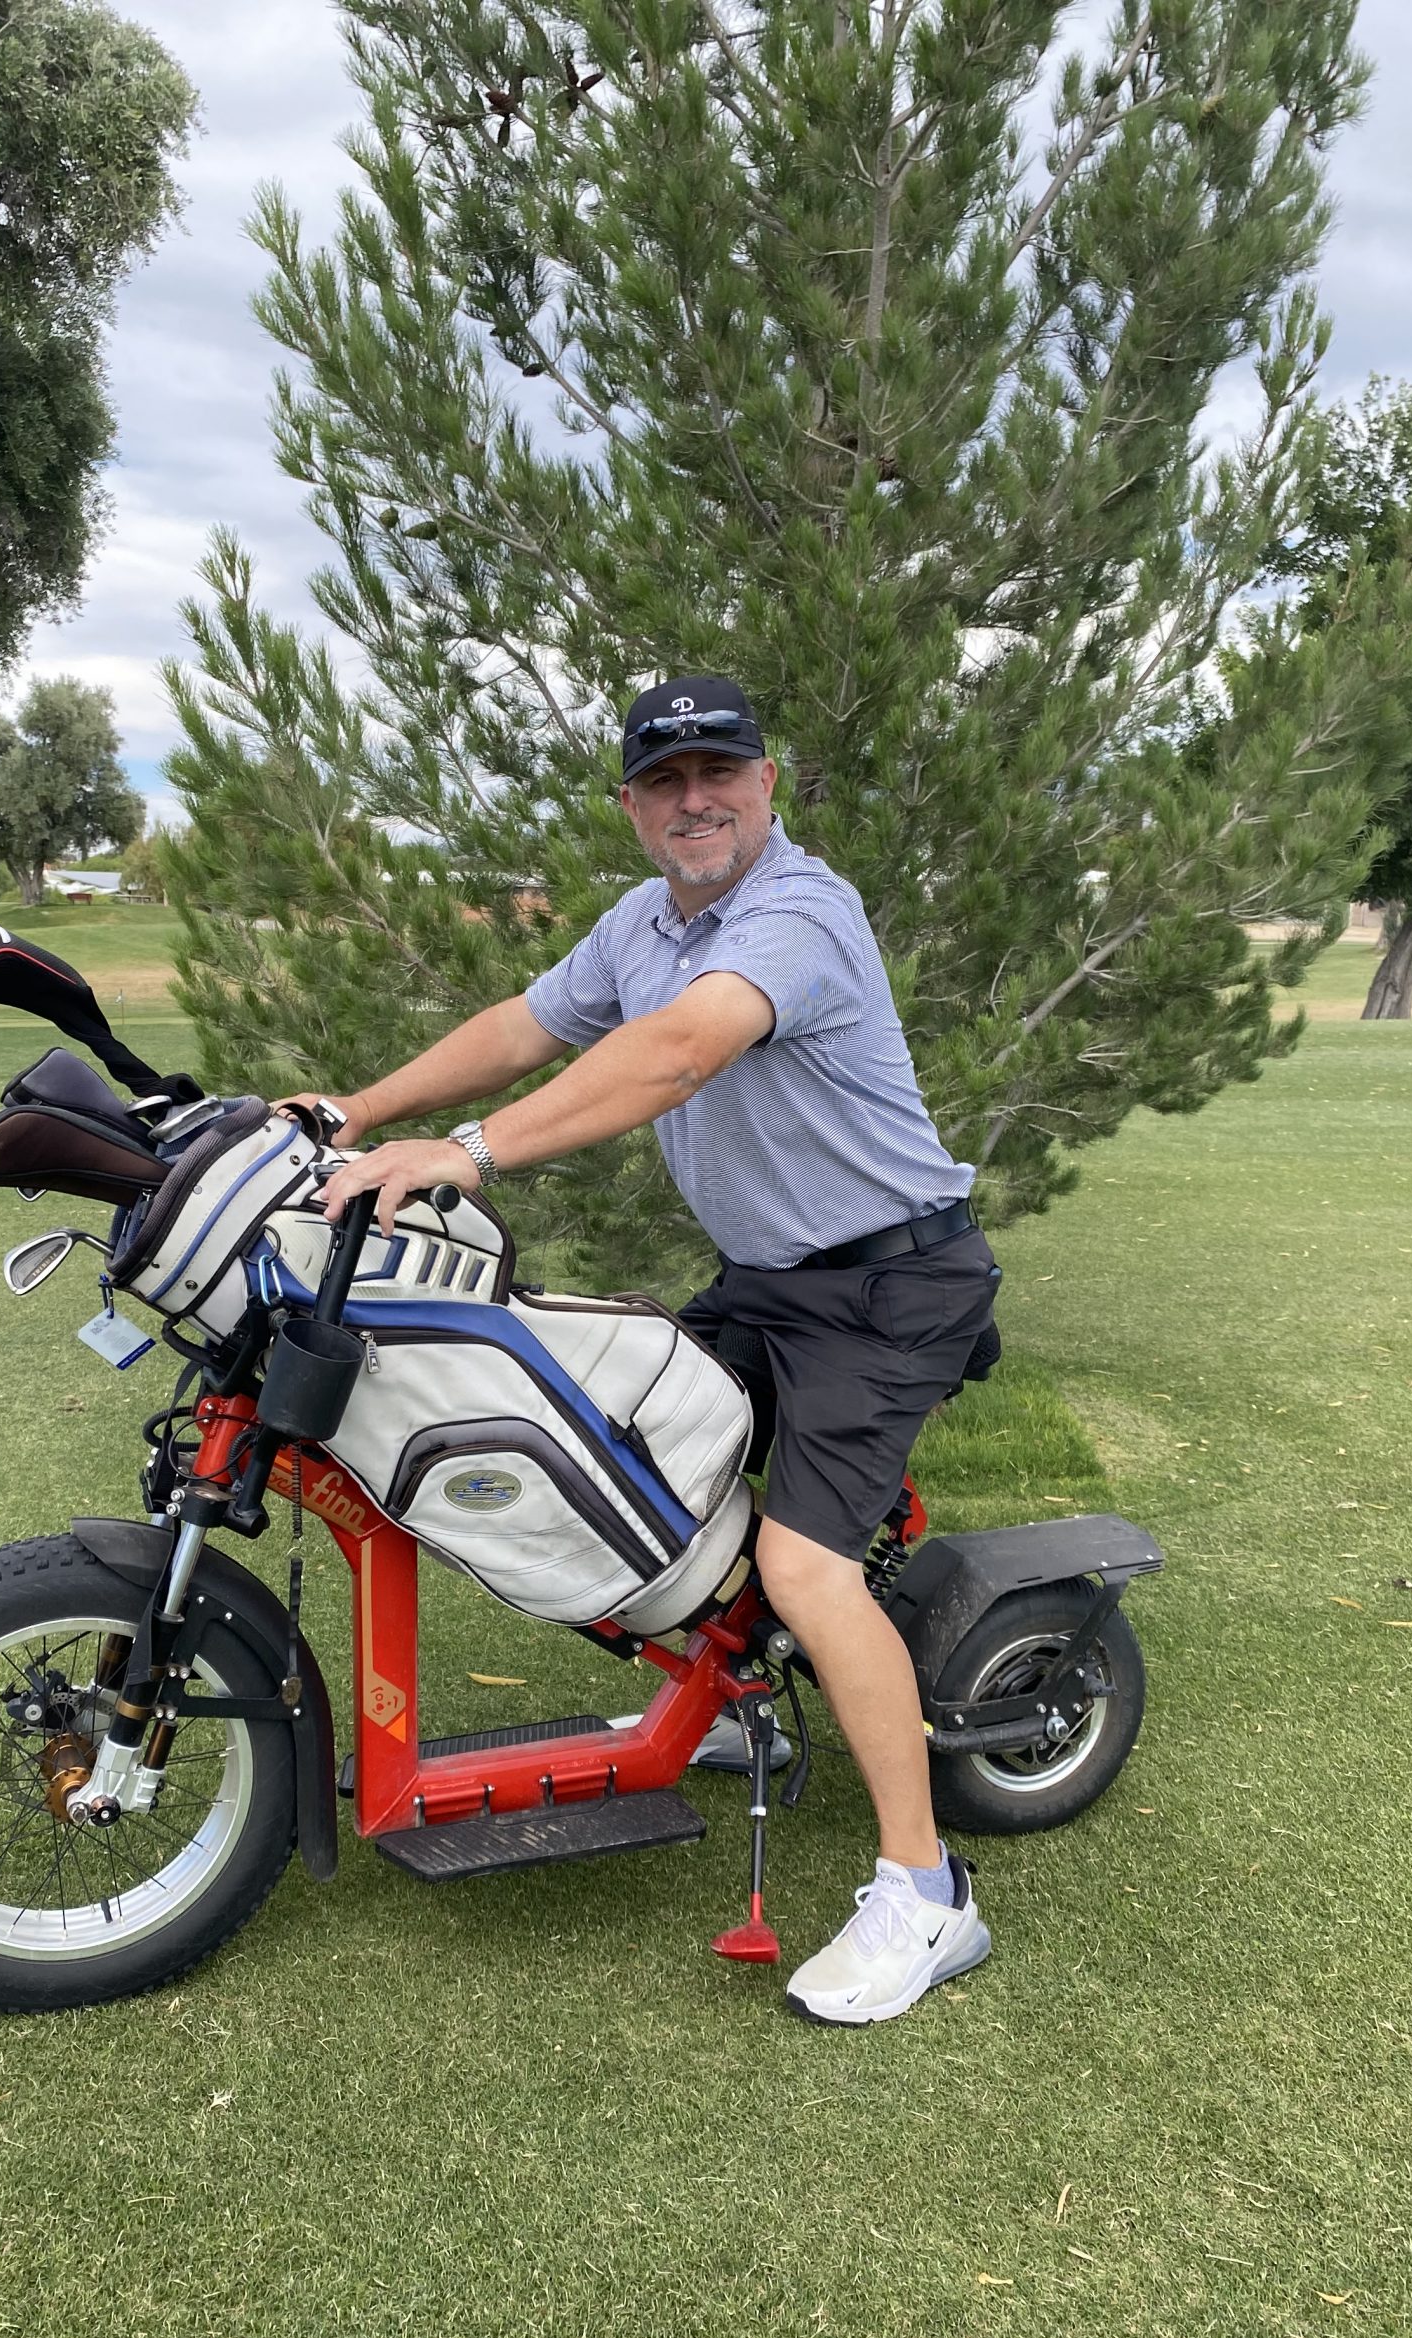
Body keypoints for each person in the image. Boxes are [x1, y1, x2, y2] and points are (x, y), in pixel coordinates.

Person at [302, 676, 1000, 2026]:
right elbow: (528, 1023)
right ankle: (743, 1694)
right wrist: (363, 1109)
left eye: (720, 771)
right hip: (771, 1279)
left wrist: (476, 1150)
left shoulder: (802, 911)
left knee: (799, 1559)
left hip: (893, 1286)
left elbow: (679, 1052)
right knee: (641, 1465)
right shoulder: (639, 923)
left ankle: (926, 1893)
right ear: (630, 805)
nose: (697, 798)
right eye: (666, 779)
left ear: (767, 781)